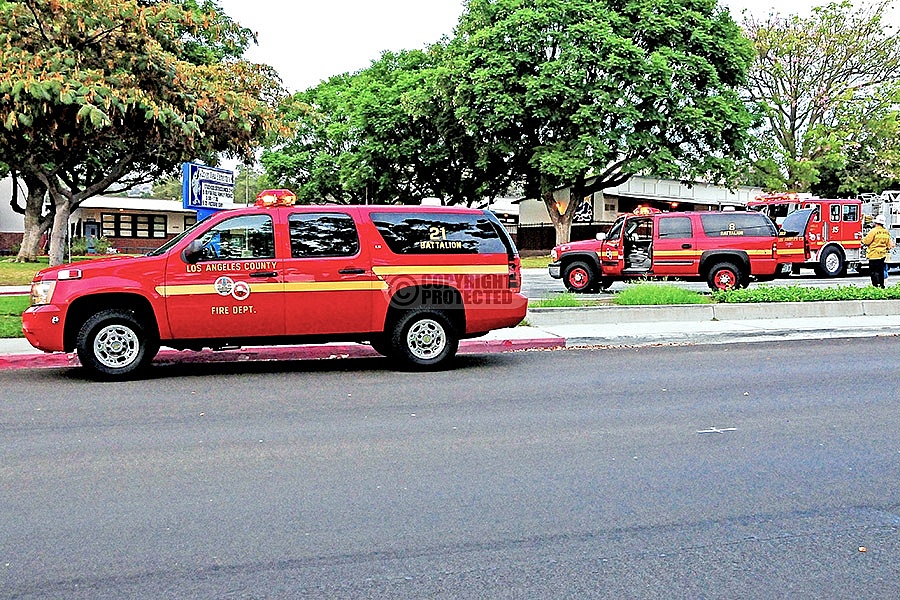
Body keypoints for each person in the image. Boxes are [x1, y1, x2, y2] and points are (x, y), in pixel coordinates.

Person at [861, 214, 894, 288]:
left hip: (873, 254)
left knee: (873, 272)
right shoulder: (886, 232)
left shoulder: (873, 231)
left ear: (876, 223)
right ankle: (882, 285)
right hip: (882, 255)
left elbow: (866, 241)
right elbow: (889, 245)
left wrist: (861, 239)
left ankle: (875, 286)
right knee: (881, 271)